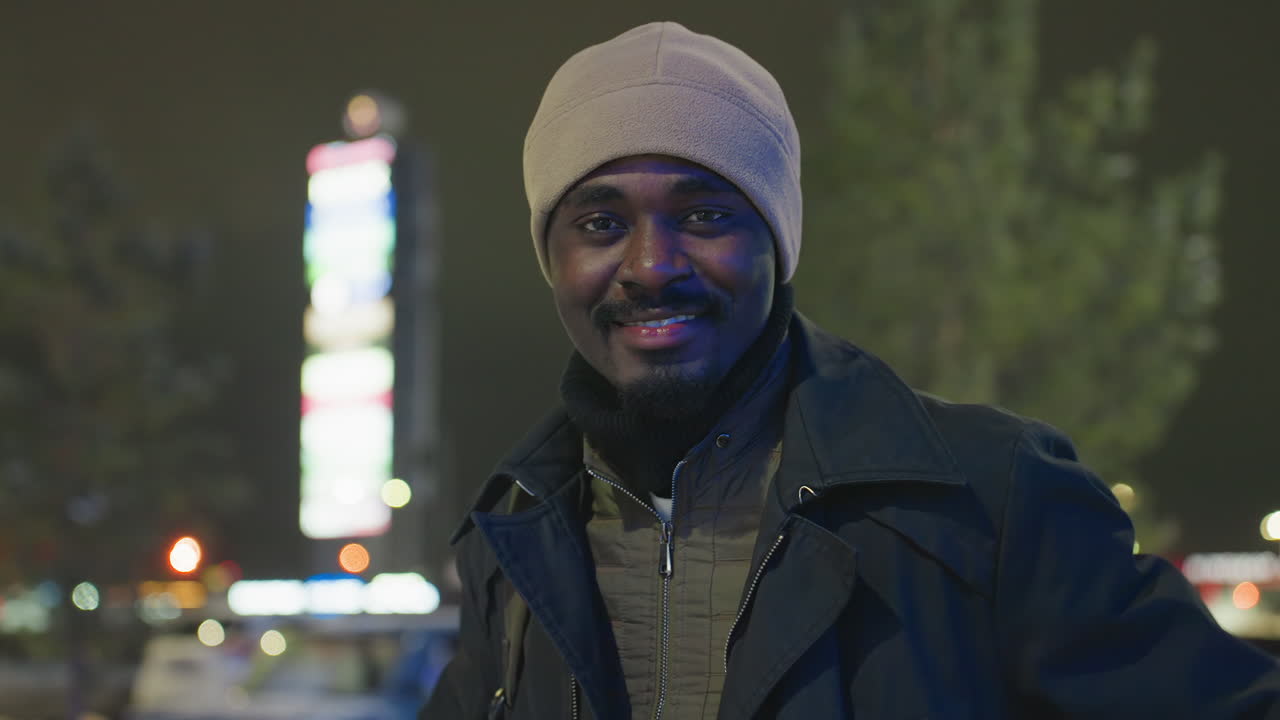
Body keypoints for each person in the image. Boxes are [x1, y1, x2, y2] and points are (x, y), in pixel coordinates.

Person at [422, 21, 1280, 720]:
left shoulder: (989, 502)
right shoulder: (515, 530)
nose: (652, 266)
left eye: (706, 214)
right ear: (553, 259)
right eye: (601, 224)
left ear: (778, 244)